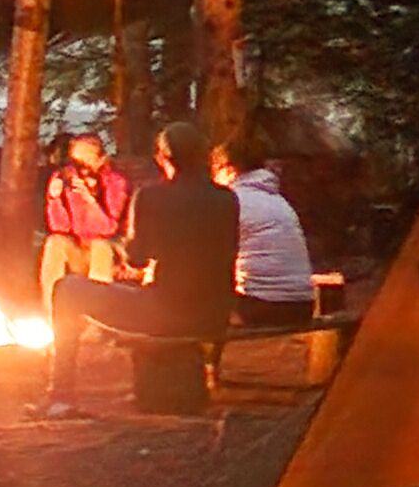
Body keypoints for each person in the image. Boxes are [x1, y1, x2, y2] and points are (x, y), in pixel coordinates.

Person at [41, 121, 240, 415]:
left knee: (66, 289)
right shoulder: (227, 198)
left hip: (166, 310)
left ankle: (61, 396)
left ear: (164, 157)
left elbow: (137, 257)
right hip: (215, 313)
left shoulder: (152, 196)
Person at [214, 137, 315, 325]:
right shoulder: (279, 201)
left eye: (215, 171)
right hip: (302, 306)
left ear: (228, 169)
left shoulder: (231, 201)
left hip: (261, 306)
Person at [38, 132, 133, 311]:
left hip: (109, 253)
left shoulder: (116, 183)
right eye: (76, 161)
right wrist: (55, 199)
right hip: (79, 250)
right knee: (54, 243)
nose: (81, 168)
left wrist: (90, 201)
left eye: (86, 161)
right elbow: (58, 227)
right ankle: (52, 316)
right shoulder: (65, 178)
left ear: (101, 160)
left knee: (100, 247)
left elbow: (108, 229)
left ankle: (97, 319)